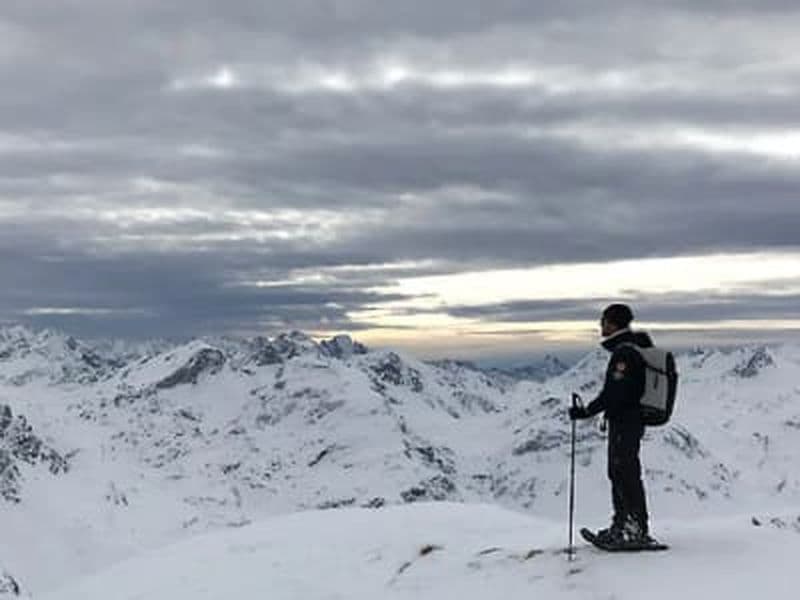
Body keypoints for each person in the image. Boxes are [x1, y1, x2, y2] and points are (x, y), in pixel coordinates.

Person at [569, 303, 653, 547]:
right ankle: (625, 525)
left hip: (625, 421)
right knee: (623, 471)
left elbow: (613, 393)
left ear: (612, 323)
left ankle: (632, 528)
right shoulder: (634, 348)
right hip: (631, 420)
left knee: (623, 472)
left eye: (603, 321)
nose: (600, 326)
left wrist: (586, 411)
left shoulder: (624, 354)